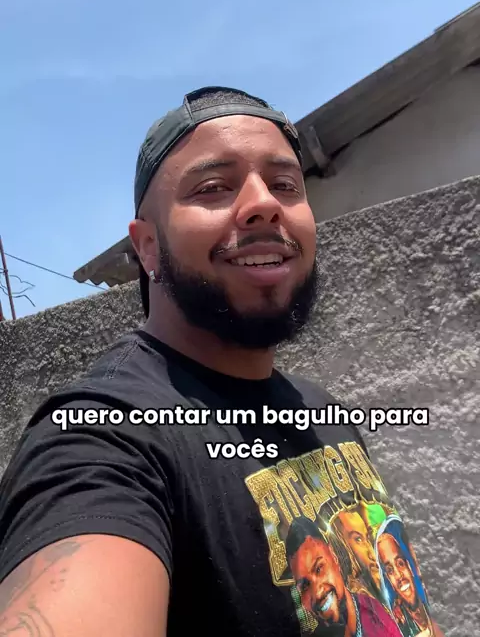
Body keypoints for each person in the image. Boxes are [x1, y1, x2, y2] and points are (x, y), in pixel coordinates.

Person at [0, 86, 446, 637]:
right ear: (146, 247)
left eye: (285, 184)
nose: (265, 202)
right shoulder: (102, 438)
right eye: (212, 187)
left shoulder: (323, 410)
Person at [286, 517, 401, 636]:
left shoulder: (375, 614)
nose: (317, 593)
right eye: (305, 586)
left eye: (319, 569)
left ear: (334, 556)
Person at [377, 533, 433, 637]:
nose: (399, 575)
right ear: (389, 580)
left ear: (409, 567)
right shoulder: (398, 627)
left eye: (400, 564)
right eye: (390, 570)